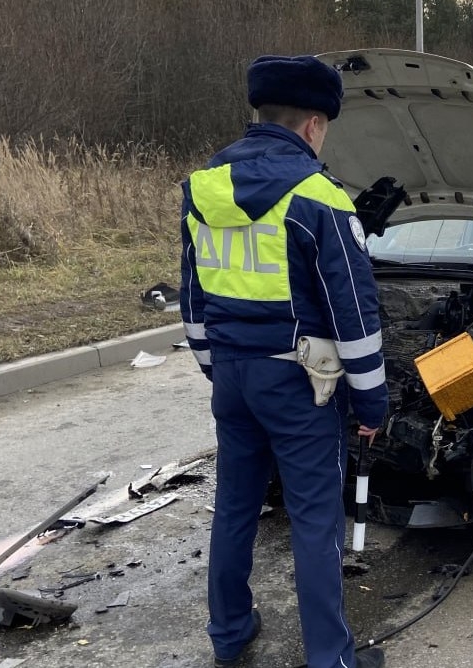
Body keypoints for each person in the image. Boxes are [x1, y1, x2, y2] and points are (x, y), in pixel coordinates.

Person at [180, 54, 388, 668]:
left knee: (237, 506)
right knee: (314, 520)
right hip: (298, 384)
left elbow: (192, 299)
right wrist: (372, 402)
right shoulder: (319, 198)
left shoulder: (203, 188)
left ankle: (230, 632)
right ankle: (331, 659)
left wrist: (217, 369)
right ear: (314, 125)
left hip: (234, 378)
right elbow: (355, 314)